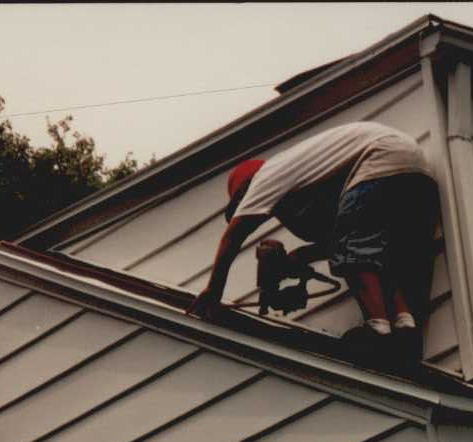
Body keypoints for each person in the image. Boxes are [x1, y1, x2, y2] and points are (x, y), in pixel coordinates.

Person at [187, 121, 438, 365]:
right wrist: (300, 258)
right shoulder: (310, 183)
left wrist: (214, 292)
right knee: (379, 254)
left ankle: (378, 329)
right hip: (416, 169)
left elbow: (234, 234)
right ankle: (405, 326)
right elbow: (342, 237)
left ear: (244, 192)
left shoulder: (264, 176)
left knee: (355, 249)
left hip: (380, 159)